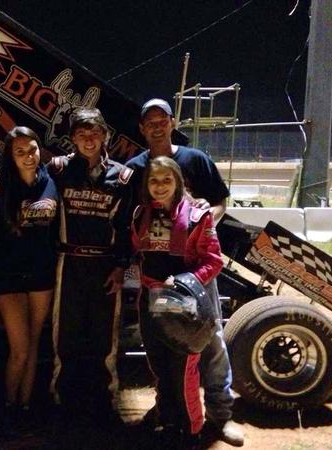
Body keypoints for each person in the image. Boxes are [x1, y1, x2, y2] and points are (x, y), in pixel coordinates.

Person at [126, 98, 244, 446]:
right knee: (161, 348)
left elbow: (220, 202)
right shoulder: (134, 167)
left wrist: (200, 223)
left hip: (195, 278)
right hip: (156, 284)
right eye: (150, 122)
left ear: (173, 122)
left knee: (210, 344)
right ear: (142, 129)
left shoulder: (196, 159)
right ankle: (168, 409)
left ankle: (220, 416)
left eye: (162, 120)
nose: (157, 126)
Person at [48, 108, 134, 426]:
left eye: (95, 133)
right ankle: (61, 398)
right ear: (72, 138)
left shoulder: (123, 177)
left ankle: (106, 400)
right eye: (82, 134)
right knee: (64, 335)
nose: (88, 139)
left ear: (105, 137)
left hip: (104, 265)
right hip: (68, 263)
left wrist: (120, 267)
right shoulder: (58, 169)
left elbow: (126, 227)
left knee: (104, 337)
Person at [131, 156, 223, 449]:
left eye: (166, 180)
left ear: (178, 181)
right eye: (154, 180)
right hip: (150, 300)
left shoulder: (198, 215)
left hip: (184, 304)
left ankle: (192, 430)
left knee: (183, 372)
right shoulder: (140, 214)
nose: (160, 186)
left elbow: (214, 261)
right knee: (159, 367)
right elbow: (137, 253)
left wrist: (185, 281)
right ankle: (169, 423)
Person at [0, 126, 58, 431]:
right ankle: (7, 405)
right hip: (9, 276)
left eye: (32, 150)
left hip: (42, 274)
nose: (28, 157)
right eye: (20, 152)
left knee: (34, 343)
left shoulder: (52, 182)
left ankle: (25, 407)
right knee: (20, 348)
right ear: (10, 156)